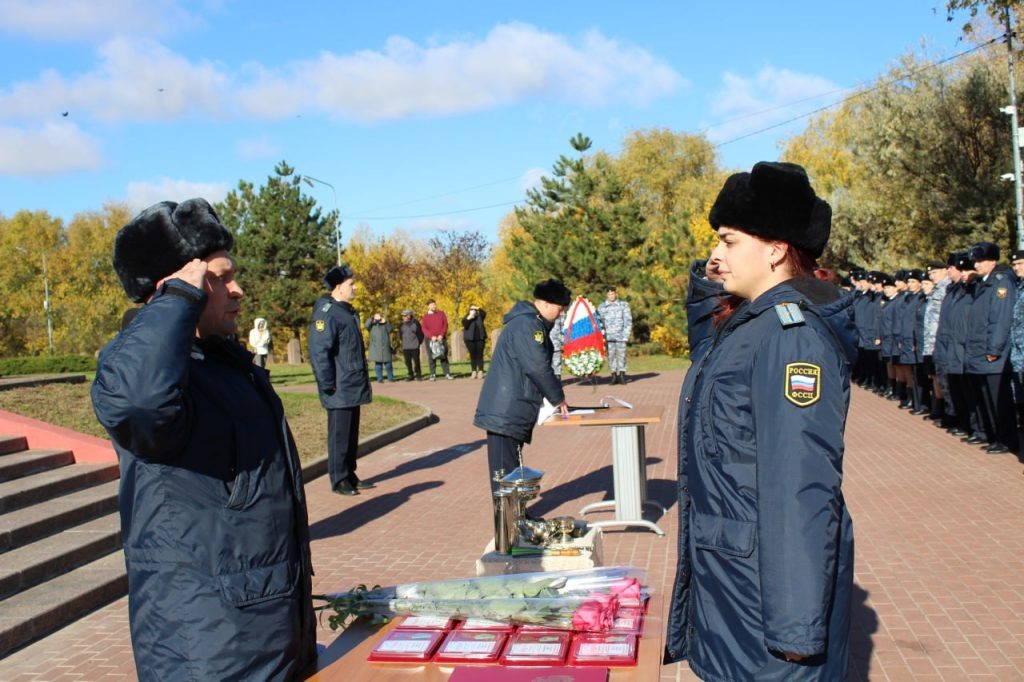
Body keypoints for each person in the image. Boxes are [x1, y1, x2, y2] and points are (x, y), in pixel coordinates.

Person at [90, 198, 316, 680]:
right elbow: (137, 405)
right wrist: (176, 300)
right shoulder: (146, 373)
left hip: (265, 632)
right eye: (219, 277)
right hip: (209, 646)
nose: (237, 290)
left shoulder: (222, 365)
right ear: (177, 285)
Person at [665, 162, 854, 680]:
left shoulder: (791, 339)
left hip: (763, 608)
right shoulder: (748, 325)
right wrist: (712, 276)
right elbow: (705, 331)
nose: (716, 254)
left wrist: (796, 629)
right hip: (735, 588)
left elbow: (801, 483)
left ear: (774, 250)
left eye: (728, 241)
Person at [474, 279, 571, 493]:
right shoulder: (528, 325)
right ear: (546, 303)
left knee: (511, 472)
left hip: (511, 409)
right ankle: (509, 516)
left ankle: (517, 513)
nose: (561, 313)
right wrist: (558, 398)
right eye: (560, 308)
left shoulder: (530, 323)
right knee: (505, 476)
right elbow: (537, 366)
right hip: (506, 411)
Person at [308, 264, 375, 495]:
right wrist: (327, 383)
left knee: (350, 434)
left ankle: (349, 474)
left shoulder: (345, 311)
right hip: (338, 385)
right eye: (351, 284)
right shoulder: (327, 313)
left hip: (351, 382)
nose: (355, 288)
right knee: (339, 435)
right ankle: (339, 480)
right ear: (338, 287)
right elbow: (319, 351)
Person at [964, 241, 1017, 454]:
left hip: (992, 354)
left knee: (999, 400)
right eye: (975, 261)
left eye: (980, 260)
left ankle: (1007, 439)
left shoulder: (1001, 283)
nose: (976, 265)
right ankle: (995, 436)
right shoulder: (983, 283)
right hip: (979, 351)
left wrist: (994, 349)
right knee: (985, 398)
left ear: (992, 261)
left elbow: (1000, 320)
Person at [597, 286, 633, 384]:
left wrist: (626, 335)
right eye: (609, 294)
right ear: (606, 295)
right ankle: (613, 375)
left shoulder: (623, 305)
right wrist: (602, 337)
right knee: (611, 356)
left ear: (616, 294)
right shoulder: (602, 307)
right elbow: (599, 323)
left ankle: (622, 375)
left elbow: (628, 321)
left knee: (622, 356)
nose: (611, 296)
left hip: (621, 336)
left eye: (612, 294)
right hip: (608, 337)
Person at [422, 299, 453, 380]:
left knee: (443, 356)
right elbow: (424, 328)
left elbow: (445, 325)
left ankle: (447, 374)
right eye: (432, 305)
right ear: (428, 306)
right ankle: (432, 374)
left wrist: (441, 335)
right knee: (431, 357)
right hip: (430, 340)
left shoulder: (441, 314)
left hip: (441, 338)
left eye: (434, 304)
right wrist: (431, 336)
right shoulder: (425, 317)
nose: (434, 306)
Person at [366, 311, 395, 382]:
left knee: (388, 364)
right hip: (376, 348)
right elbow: (366, 325)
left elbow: (391, 329)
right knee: (378, 364)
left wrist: (385, 322)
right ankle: (380, 378)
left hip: (386, 347)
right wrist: (372, 318)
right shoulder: (372, 326)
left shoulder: (385, 325)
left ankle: (390, 378)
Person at [462, 304, 488, 378]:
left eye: (475, 310)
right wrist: (470, 317)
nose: (473, 311)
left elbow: (484, 313)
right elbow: (465, 324)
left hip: (480, 339)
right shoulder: (466, 317)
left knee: (480, 355)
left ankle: (480, 371)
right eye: (471, 309)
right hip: (470, 340)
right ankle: (474, 371)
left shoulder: (480, 317)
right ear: (469, 310)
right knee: (473, 355)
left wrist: (477, 307)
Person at [399, 309, 424, 381]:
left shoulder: (416, 323)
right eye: (402, 316)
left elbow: (420, 334)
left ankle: (418, 375)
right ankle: (410, 374)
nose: (403, 317)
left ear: (409, 316)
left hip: (414, 346)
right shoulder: (401, 324)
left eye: (405, 316)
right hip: (406, 347)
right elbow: (400, 334)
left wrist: (419, 342)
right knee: (407, 362)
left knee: (416, 361)